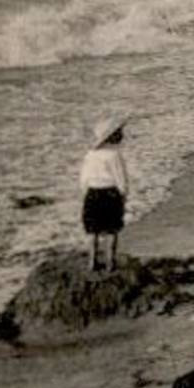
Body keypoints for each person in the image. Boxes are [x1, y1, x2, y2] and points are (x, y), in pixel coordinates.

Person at [79, 113, 131, 272]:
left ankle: (92, 261)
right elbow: (121, 179)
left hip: (92, 192)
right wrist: (123, 196)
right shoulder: (114, 155)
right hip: (110, 193)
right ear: (112, 137)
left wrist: (85, 195)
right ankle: (110, 262)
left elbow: (83, 179)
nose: (122, 135)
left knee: (92, 230)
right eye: (119, 133)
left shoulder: (90, 155)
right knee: (111, 230)